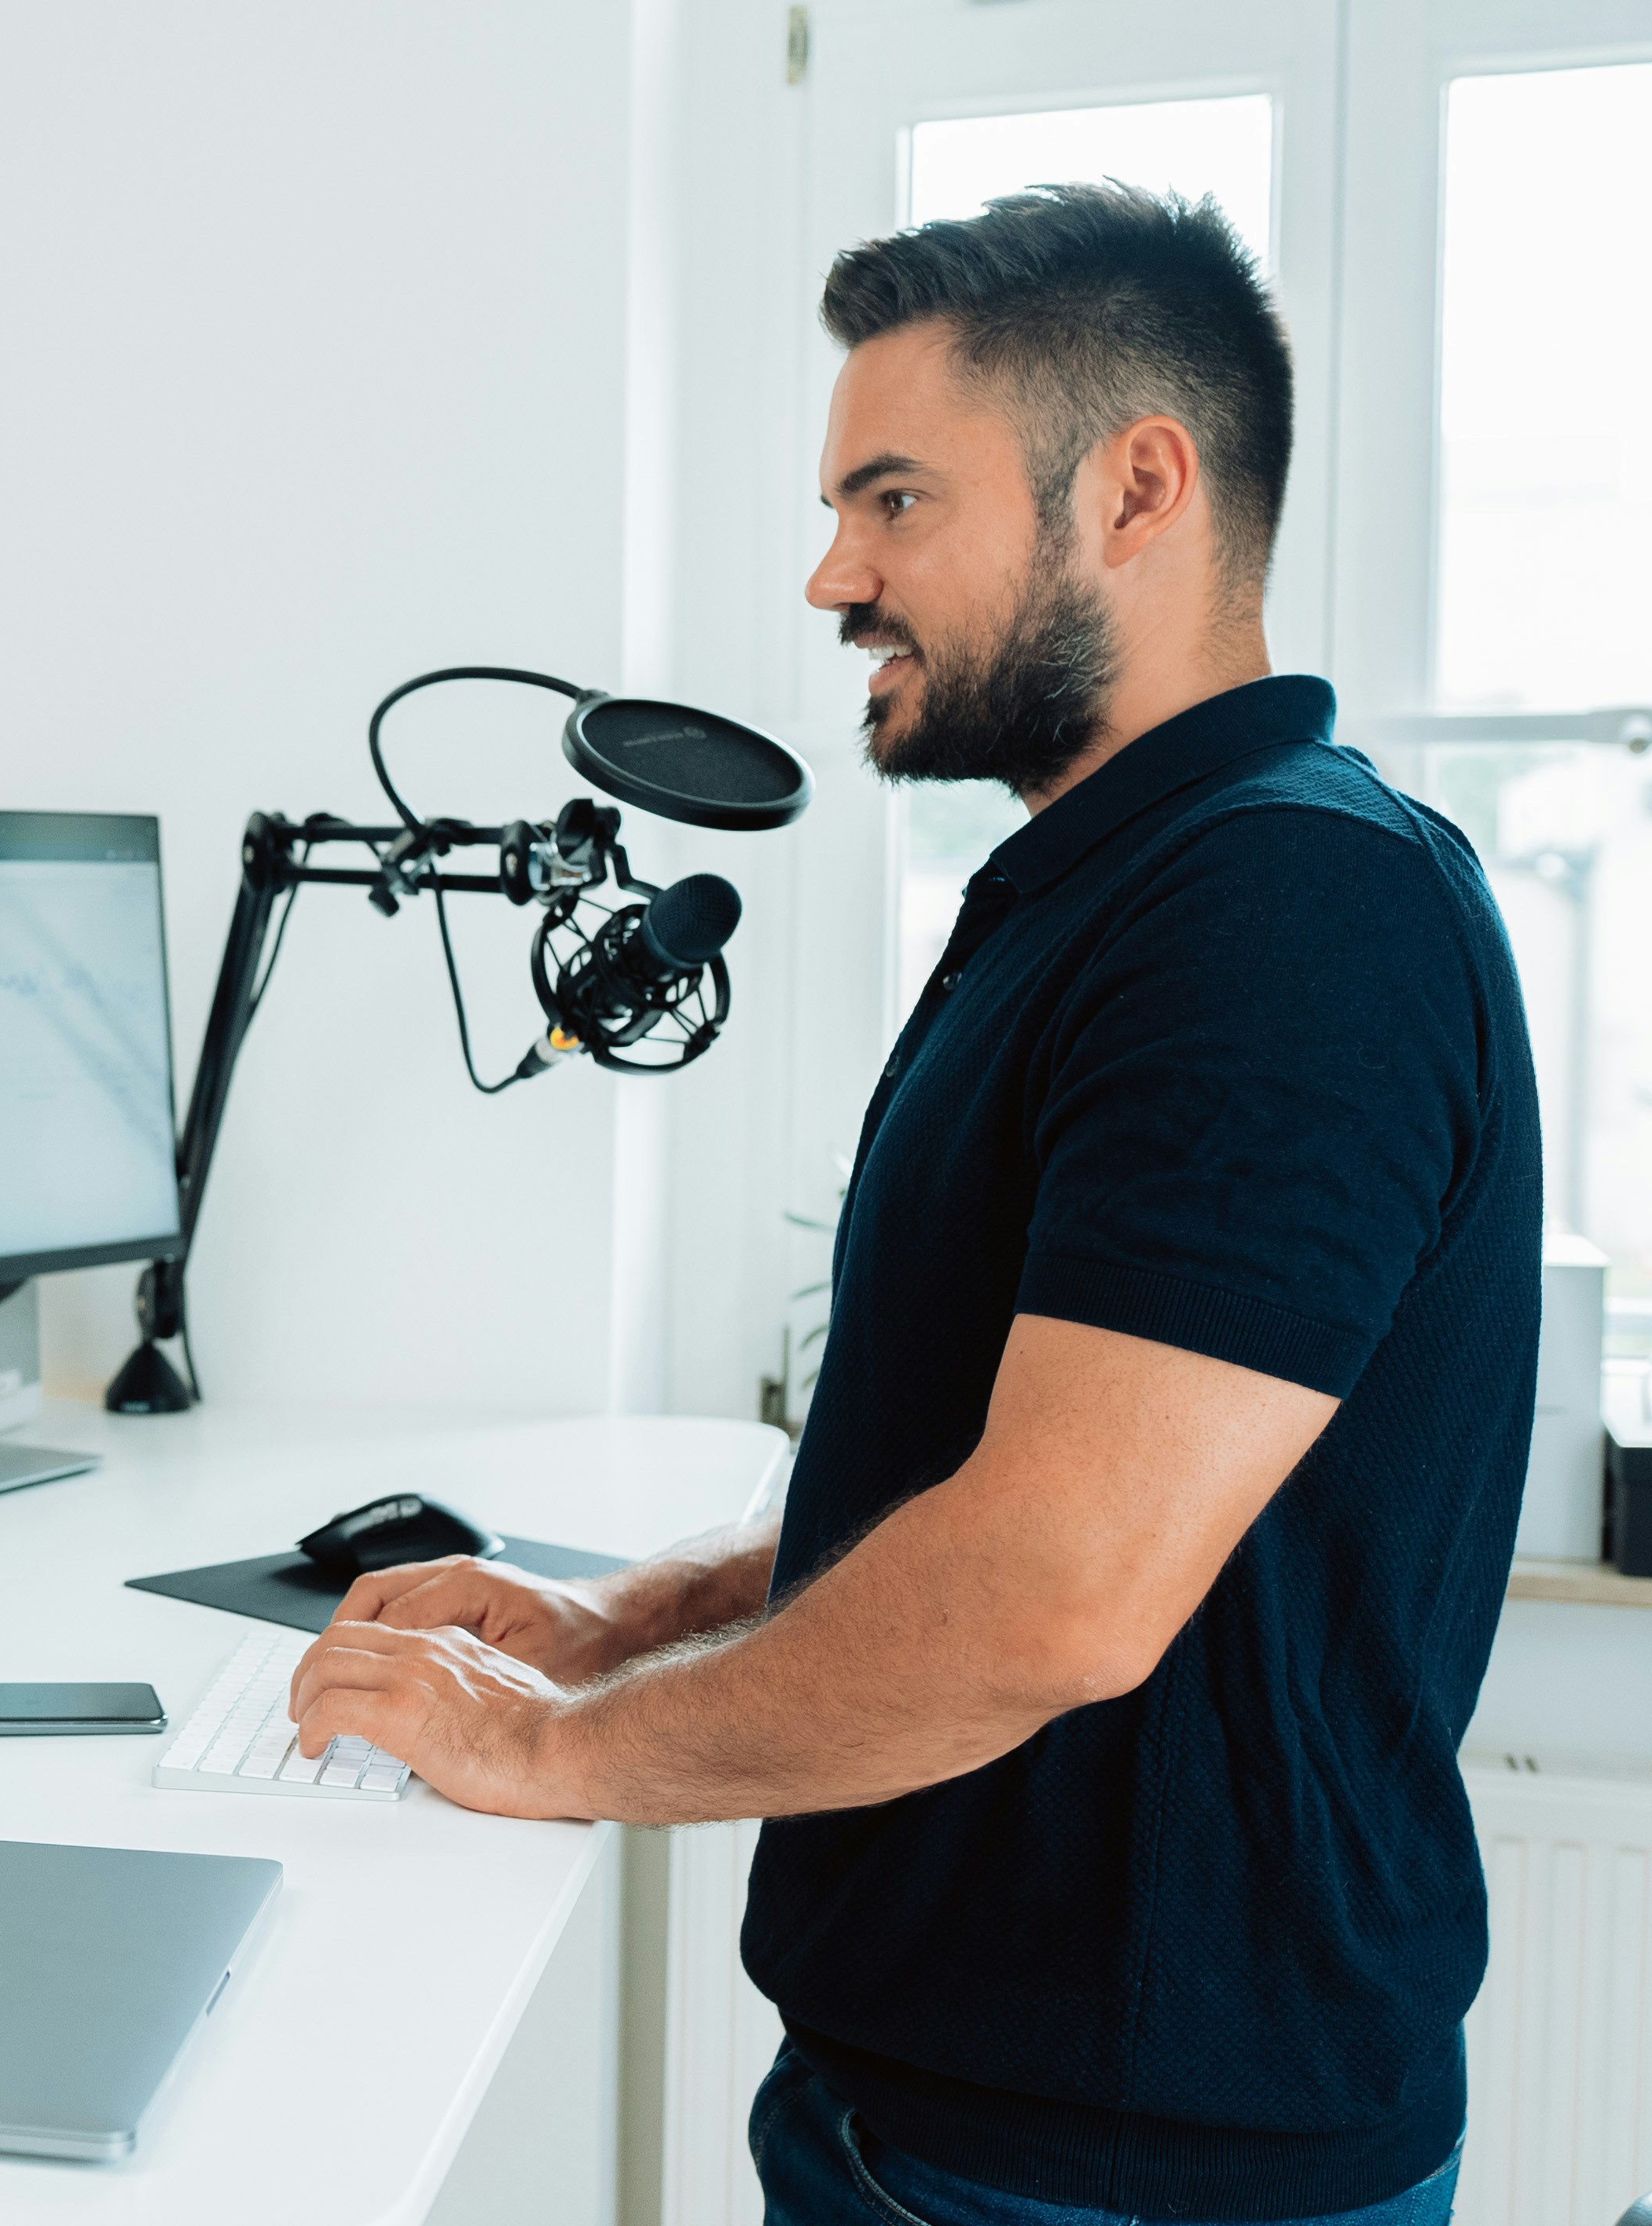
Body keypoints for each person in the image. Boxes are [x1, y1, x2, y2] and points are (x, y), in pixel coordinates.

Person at [288, 183, 1536, 2224]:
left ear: (1138, 488)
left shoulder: (1287, 916)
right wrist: (619, 1625)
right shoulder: (1113, 895)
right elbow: (975, 1460)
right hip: (958, 2126)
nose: (829, 576)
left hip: (1118, 2171)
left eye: (892, 502)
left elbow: (1054, 1582)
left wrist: (548, 1754)